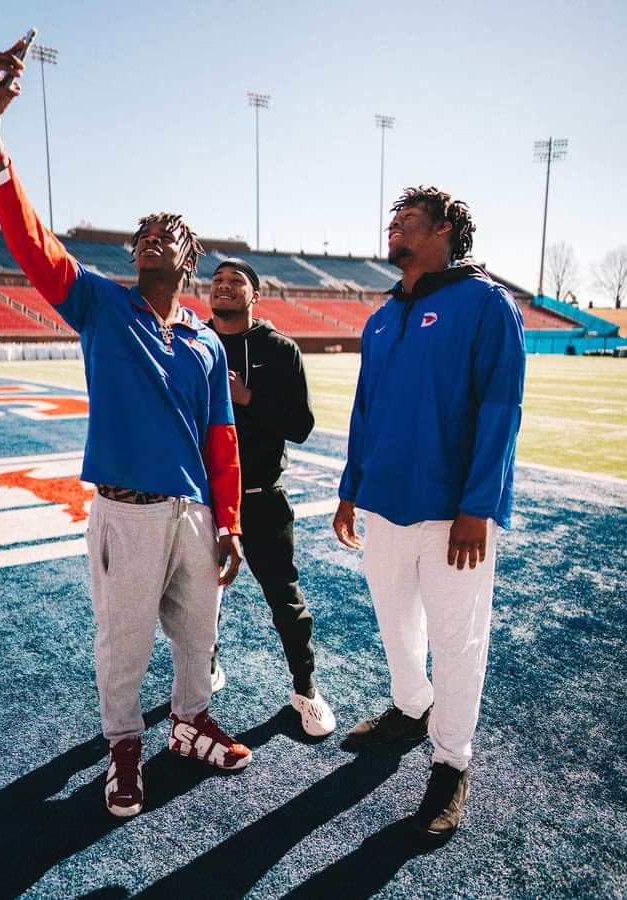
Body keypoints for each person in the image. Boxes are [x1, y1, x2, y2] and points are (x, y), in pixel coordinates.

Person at [0, 38, 252, 819]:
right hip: (125, 512)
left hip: (195, 516)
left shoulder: (202, 339)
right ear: (134, 253)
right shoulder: (98, 303)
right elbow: (29, 239)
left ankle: (190, 723)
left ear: (190, 260)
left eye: (173, 232)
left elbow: (221, 443)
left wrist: (229, 521)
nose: (157, 235)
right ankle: (124, 747)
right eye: (147, 230)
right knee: (123, 647)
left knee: (200, 639)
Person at [333, 186, 525, 837]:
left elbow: (501, 410)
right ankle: (412, 707)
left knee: (458, 640)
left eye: (407, 220)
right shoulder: (383, 315)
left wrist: (478, 507)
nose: (394, 229)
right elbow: (365, 411)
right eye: (392, 218)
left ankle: (451, 761)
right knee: (394, 624)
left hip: (453, 515)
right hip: (384, 505)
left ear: (444, 230)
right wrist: (349, 487)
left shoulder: (487, 304)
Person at [207, 259, 336, 737]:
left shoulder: (279, 349)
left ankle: (306, 690)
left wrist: (248, 399)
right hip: (203, 497)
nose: (224, 286)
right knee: (200, 599)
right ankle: (208, 666)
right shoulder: (191, 343)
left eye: (235, 280)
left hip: (263, 496)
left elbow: (301, 426)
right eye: (217, 280)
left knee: (285, 599)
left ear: (253, 294)